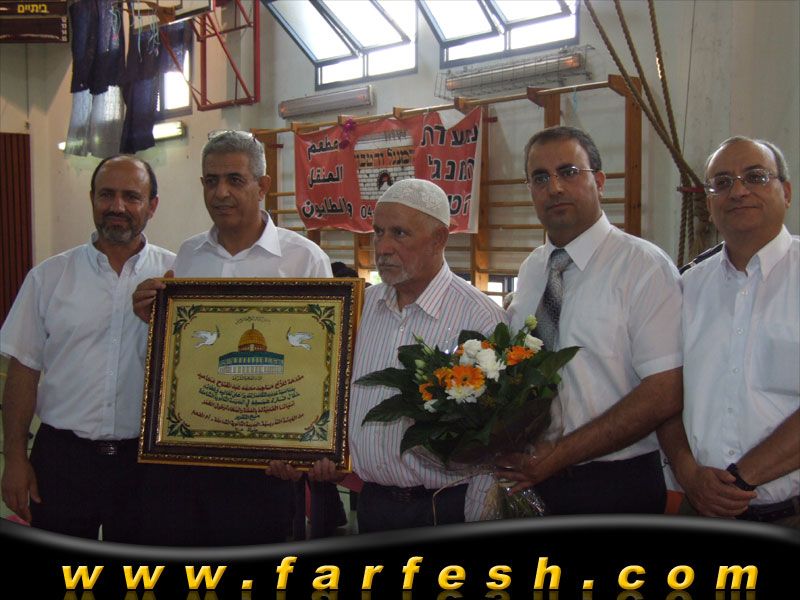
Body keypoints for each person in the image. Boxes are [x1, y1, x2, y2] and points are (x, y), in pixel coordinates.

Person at [271, 178, 508, 532]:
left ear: (439, 239)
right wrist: (313, 453)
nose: (382, 247)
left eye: (399, 233)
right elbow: (328, 397)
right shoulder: (358, 308)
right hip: (373, 507)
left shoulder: (481, 320)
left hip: (446, 510)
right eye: (378, 232)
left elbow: (495, 444)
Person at [132, 130, 332, 546]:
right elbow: (181, 353)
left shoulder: (304, 259)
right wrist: (155, 317)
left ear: (263, 186)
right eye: (211, 180)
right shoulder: (188, 255)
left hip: (269, 464)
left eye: (235, 180)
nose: (220, 192)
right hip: (193, 459)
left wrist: (302, 447)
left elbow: (324, 364)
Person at [501, 125, 683, 514]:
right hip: (533, 479)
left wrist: (561, 453)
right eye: (540, 178)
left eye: (568, 172)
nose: (554, 188)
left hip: (616, 485)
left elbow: (665, 390)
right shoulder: (532, 270)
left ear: (599, 182)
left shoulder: (644, 268)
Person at [0, 155, 174, 541]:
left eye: (132, 196)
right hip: (62, 460)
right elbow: (23, 373)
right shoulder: (48, 277)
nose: (117, 206)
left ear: (152, 205)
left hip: (145, 462)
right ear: (91, 199)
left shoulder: (175, 278)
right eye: (106, 195)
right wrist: (14, 457)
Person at [660, 136, 799, 527]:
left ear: (786, 192)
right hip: (699, 507)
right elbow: (664, 393)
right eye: (722, 183)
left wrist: (741, 479)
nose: (738, 191)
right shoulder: (685, 287)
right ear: (709, 204)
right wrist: (687, 471)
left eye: (755, 177)